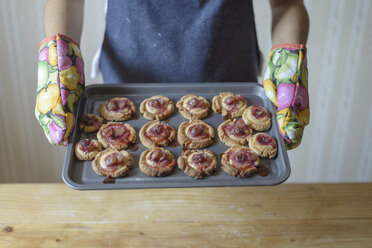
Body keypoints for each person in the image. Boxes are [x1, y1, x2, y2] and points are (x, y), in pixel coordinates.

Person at [35, 0, 310, 149]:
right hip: (124, 94)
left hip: (231, 96)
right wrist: (59, 64)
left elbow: (286, 3)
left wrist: (288, 72)